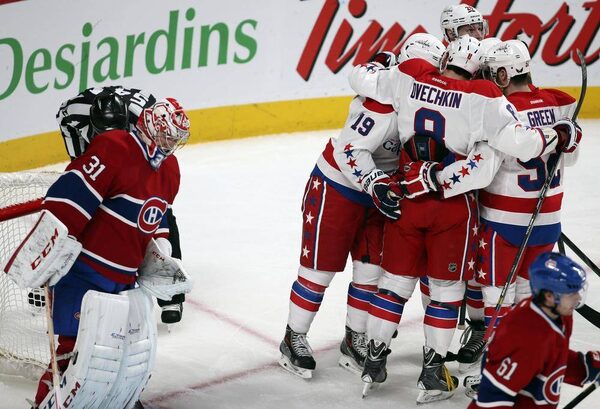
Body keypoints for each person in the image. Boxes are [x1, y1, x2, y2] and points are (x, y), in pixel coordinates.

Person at [348, 36, 578, 403]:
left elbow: (361, 79)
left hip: (408, 198)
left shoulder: (412, 72)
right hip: (455, 208)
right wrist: (561, 133)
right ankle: (436, 371)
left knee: (393, 284)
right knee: (448, 291)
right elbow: (501, 158)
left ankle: (374, 361)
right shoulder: (487, 96)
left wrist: (377, 61)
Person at [5, 97, 191, 408]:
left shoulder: (170, 169)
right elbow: (68, 198)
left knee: (118, 353)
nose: (170, 145)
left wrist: (161, 253)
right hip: (84, 273)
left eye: (175, 139)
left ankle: (113, 402)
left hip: (125, 278)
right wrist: (49, 247)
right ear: (149, 127)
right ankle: (44, 403)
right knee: (74, 350)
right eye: (166, 136)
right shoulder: (115, 147)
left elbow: (157, 217)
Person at [278, 34, 445, 379]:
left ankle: (354, 339)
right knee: (319, 271)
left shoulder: (416, 100)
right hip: (337, 188)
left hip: (377, 193)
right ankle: (293, 338)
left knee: (372, 271)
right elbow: (349, 150)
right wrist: (374, 182)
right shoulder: (382, 102)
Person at [57, 86, 186, 324]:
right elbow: (83, 167)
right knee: (91, 202)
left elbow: (154, 170)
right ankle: (58, 274)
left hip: (141, 122)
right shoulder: (73, 115)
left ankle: (172, 295)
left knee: (159, 208)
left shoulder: (146, 122)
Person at [468, 252, 600, 408]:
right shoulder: (524, 336)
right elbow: (492, 398)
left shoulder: (559, 314)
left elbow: (551, 355)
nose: (578, 297)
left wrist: (588, 367)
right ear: (550, 296)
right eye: (571, 293)